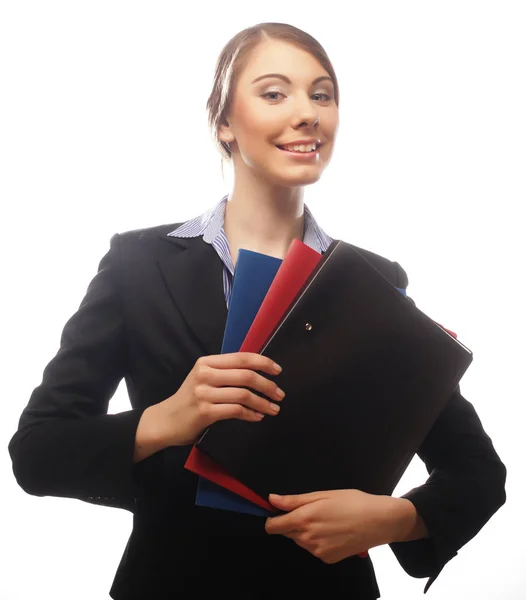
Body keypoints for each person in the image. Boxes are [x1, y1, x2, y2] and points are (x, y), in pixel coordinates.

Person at [8, 22, 506, 600]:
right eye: (275, 93)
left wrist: (393, 518)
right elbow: (38, 453)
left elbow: (476, 475)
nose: (308, 113)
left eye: (322, 94)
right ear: (223, 122)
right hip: (170, 583)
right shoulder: (137, 264)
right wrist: (167, 418)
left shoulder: (371, 281)